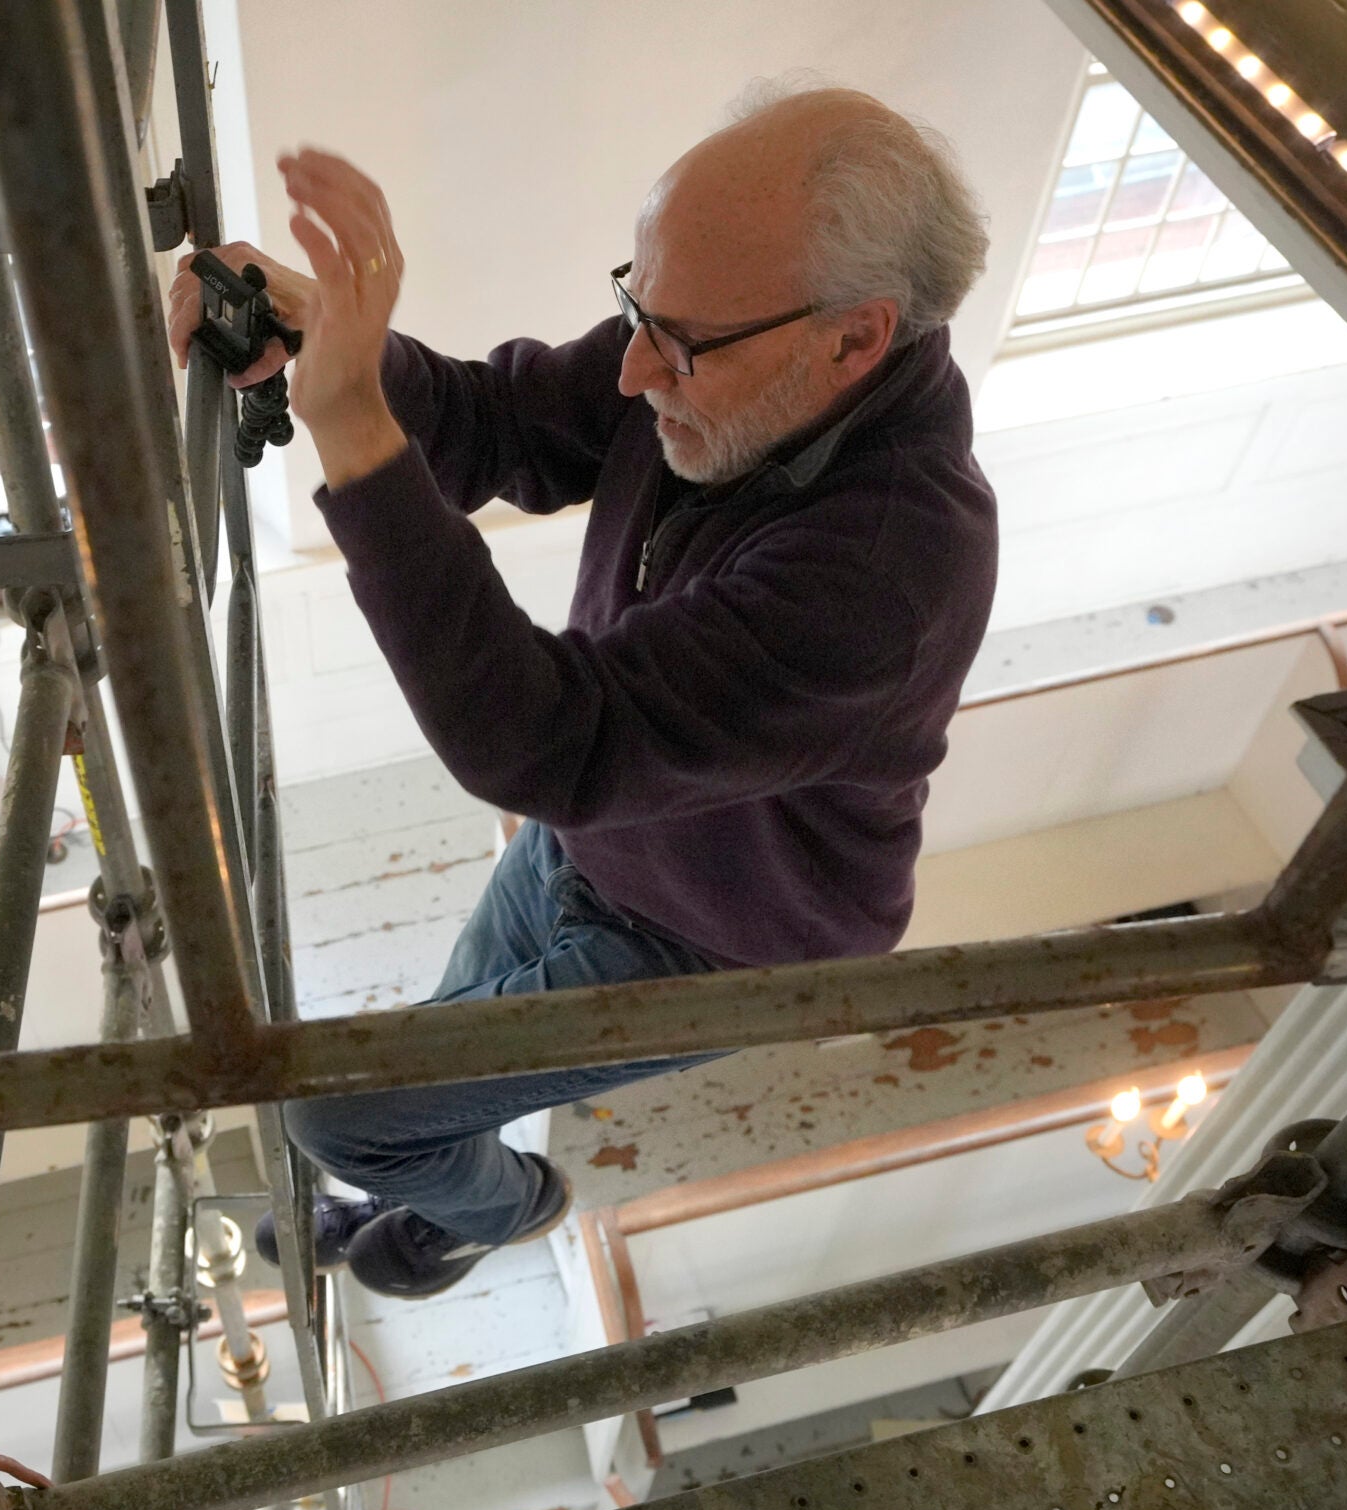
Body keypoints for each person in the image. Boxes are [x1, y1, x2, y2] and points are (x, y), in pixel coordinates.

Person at [167, 81, 999, 1300]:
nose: (631, 372)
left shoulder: (887, 573)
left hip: (716, 931)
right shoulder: (728, 341)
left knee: (345, 1122)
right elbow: (510, 423)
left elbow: (549, 741)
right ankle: (445, 1203)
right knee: (425, 1092)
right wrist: (325, 337)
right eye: (635, 311)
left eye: (678, 344)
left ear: (856, 336)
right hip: (599, 838)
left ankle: (508, 1209)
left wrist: (349, 420)